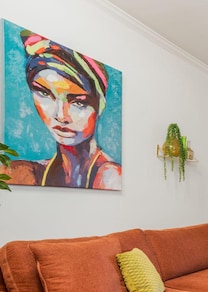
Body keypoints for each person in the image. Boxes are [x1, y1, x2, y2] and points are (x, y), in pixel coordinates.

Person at [1, 30, 121, 190]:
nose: (60, 115)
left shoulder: (110, 177)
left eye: (78, 102)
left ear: (100, 105)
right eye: (44, 93)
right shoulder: (23, 173)